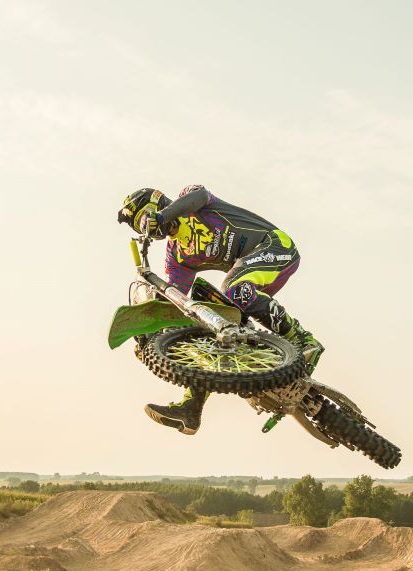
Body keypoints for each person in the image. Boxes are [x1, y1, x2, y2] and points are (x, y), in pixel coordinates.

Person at [117, 185, 324, 435]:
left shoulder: (191, 202)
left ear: (156, 204)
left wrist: (162, 216)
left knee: (233, 288)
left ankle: (302, 338)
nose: (146, 227)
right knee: (208, 327)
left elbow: (201, 196)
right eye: (140, 227)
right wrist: (152, 335)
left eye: (143, 218)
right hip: (250, 277)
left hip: (275, 246)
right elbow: (177, 302)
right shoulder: (177, 256)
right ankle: (191, 408)